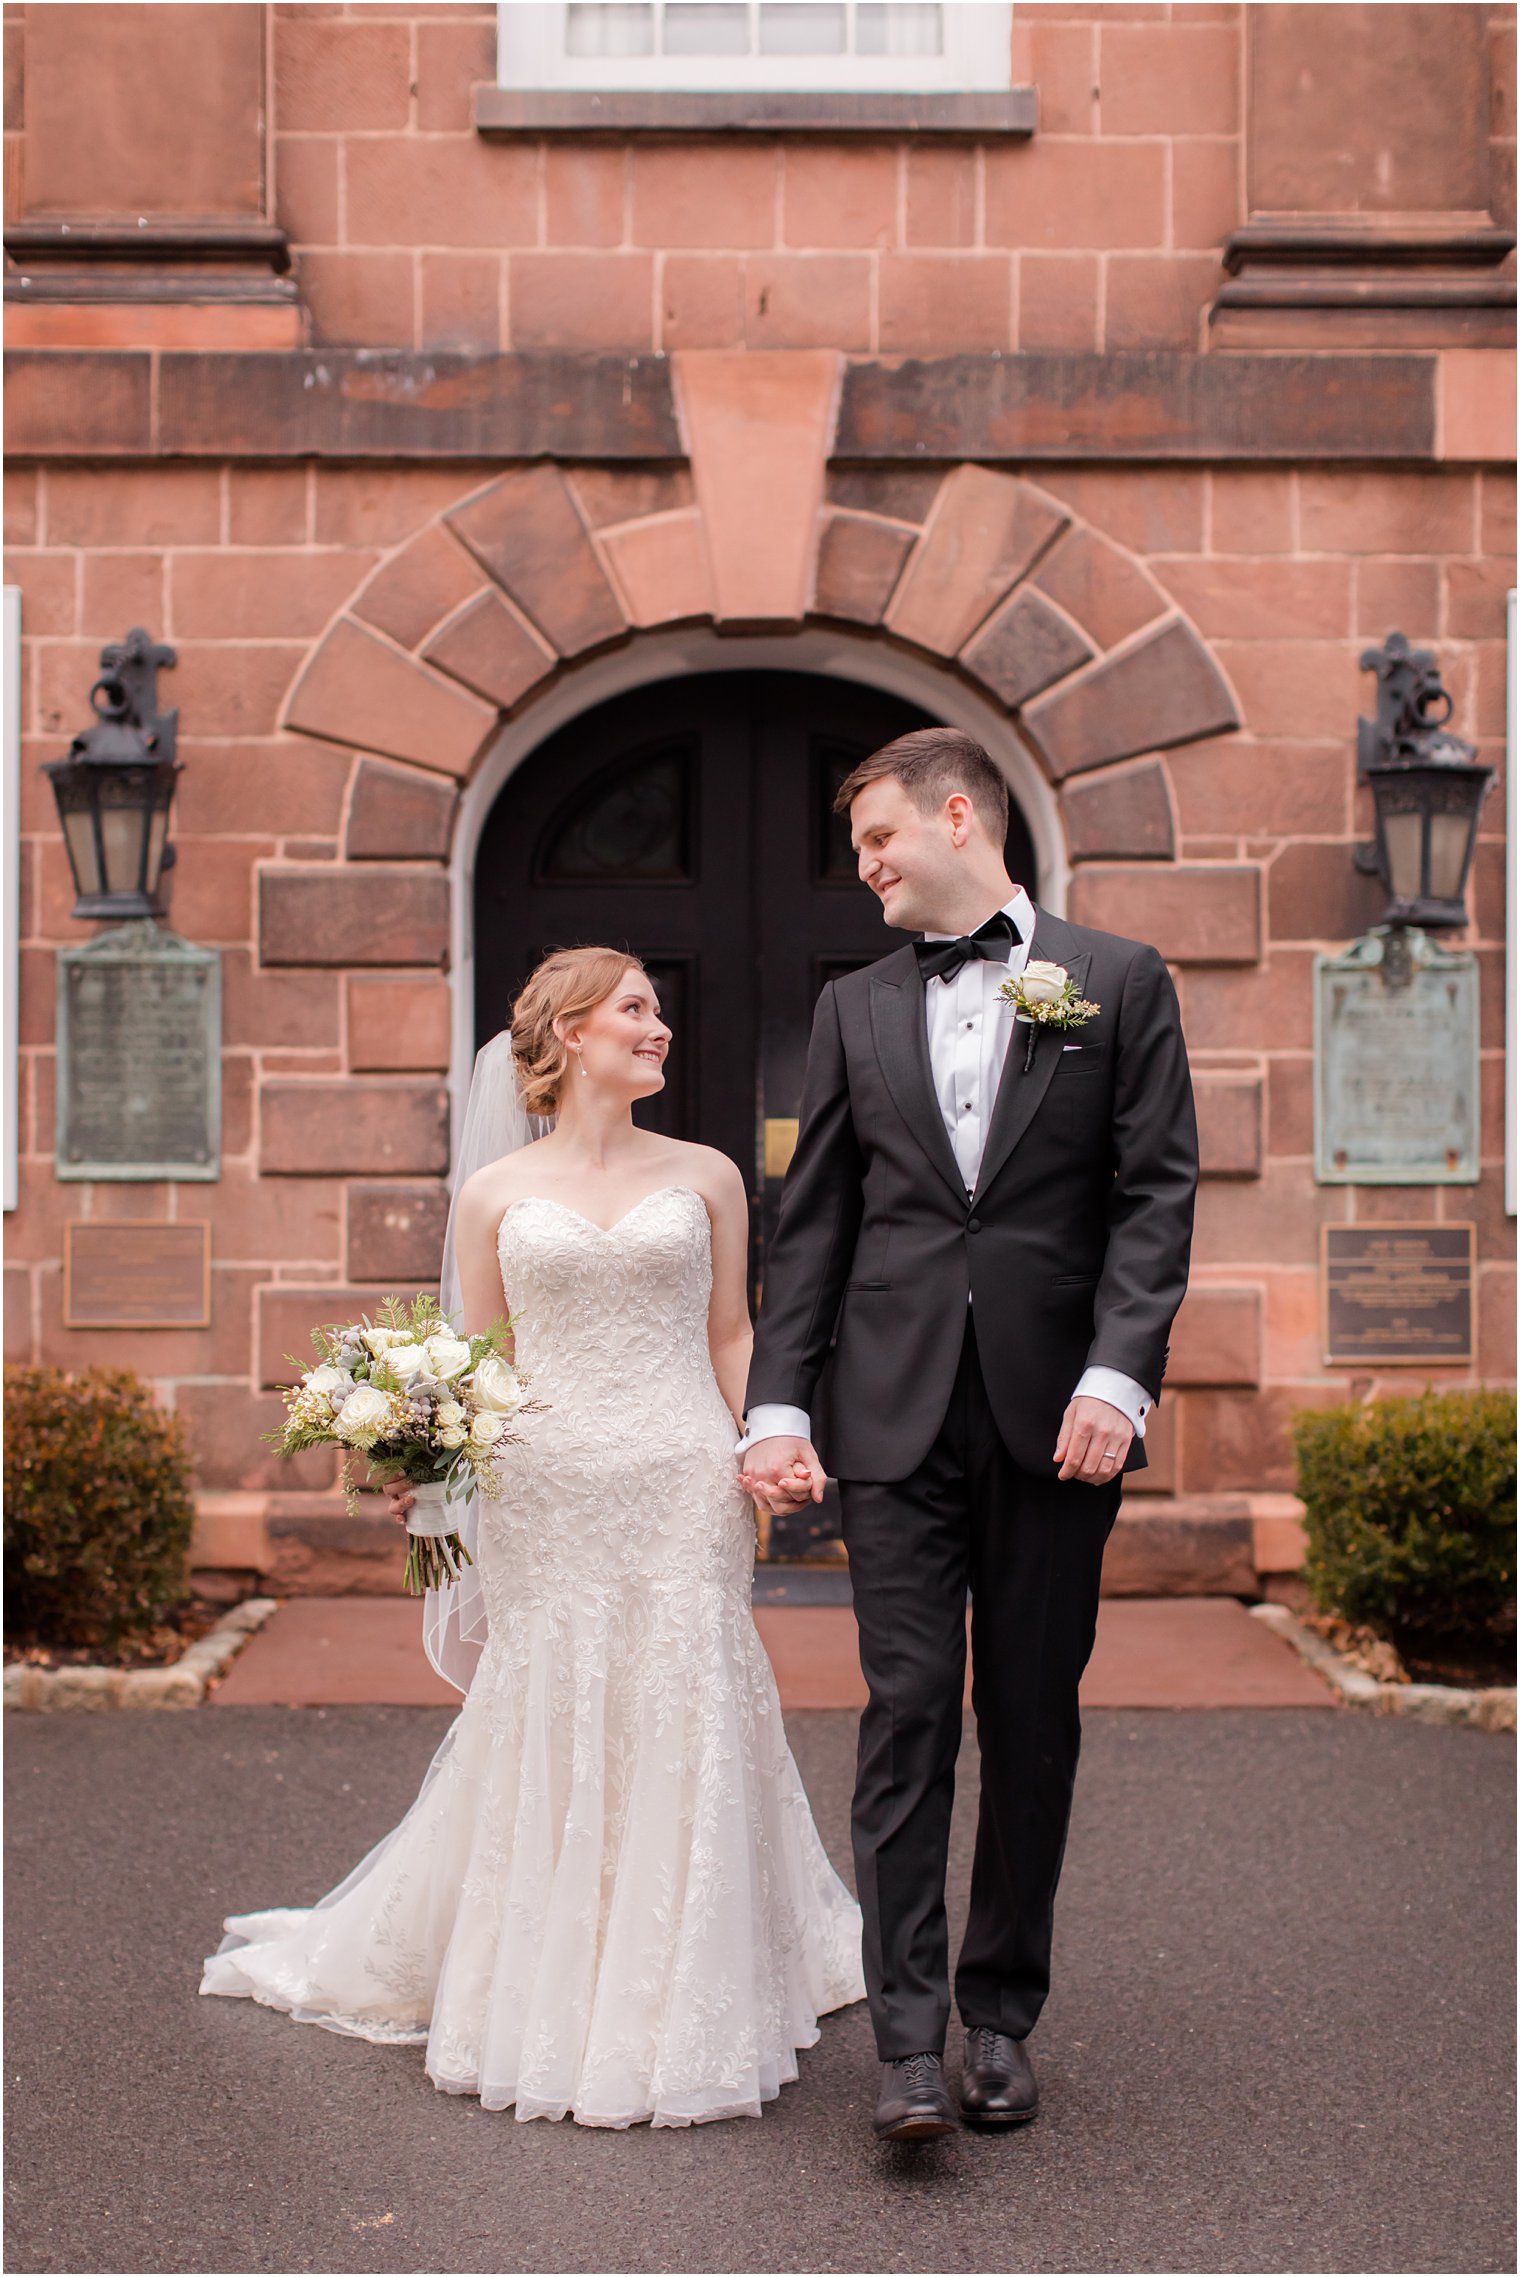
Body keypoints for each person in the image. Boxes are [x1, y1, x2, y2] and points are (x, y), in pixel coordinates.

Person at [201, 945, 865, 2128]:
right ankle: (544, 1977)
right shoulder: (494, 1193)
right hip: (545, 1486)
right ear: (566, 1034)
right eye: (634, 1009)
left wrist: (765, 1438)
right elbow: (480, 1362)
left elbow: (727, 1334)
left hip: (674, 1474)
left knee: (686, 1693)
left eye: (657, 1009)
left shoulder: (708, 1174)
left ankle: (682, 1983)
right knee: (552, 1697)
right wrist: (433, 1468)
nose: (659, 1027)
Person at [738, 727, 1197, 2142]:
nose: (866, 867)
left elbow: (1154, 1194)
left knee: (1034, 1716)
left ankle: (1004, 2014)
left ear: (956, 815)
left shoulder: (1116, 981)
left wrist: (1118, 1381)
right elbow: (812, 1221)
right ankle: (911, 2041)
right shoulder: (854, 1007)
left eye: (879, 839)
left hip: (1059, 1416)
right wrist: (779, 1400)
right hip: (895, 1412)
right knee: (910, 1709)